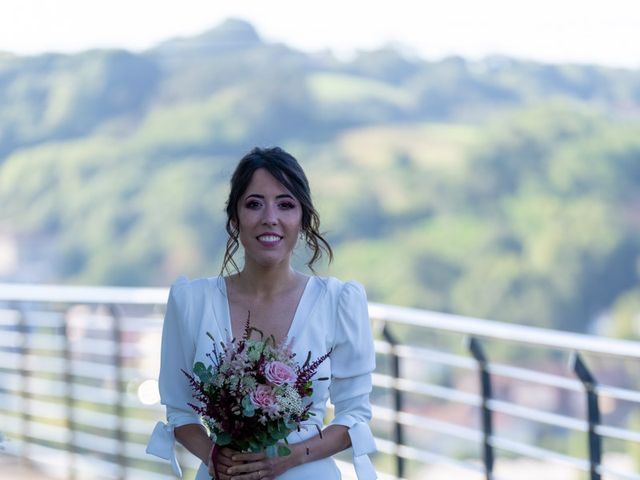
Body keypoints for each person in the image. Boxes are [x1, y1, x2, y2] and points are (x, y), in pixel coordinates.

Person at [146, 147, 377, 480]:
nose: (270, 217)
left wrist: (289, 457)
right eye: (254, 204)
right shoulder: (192, 302)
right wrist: (214, 456)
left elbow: (353, 416)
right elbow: (180, 413)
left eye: (286, 205)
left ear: (303, 218)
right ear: (234, 217)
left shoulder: (338, 302)